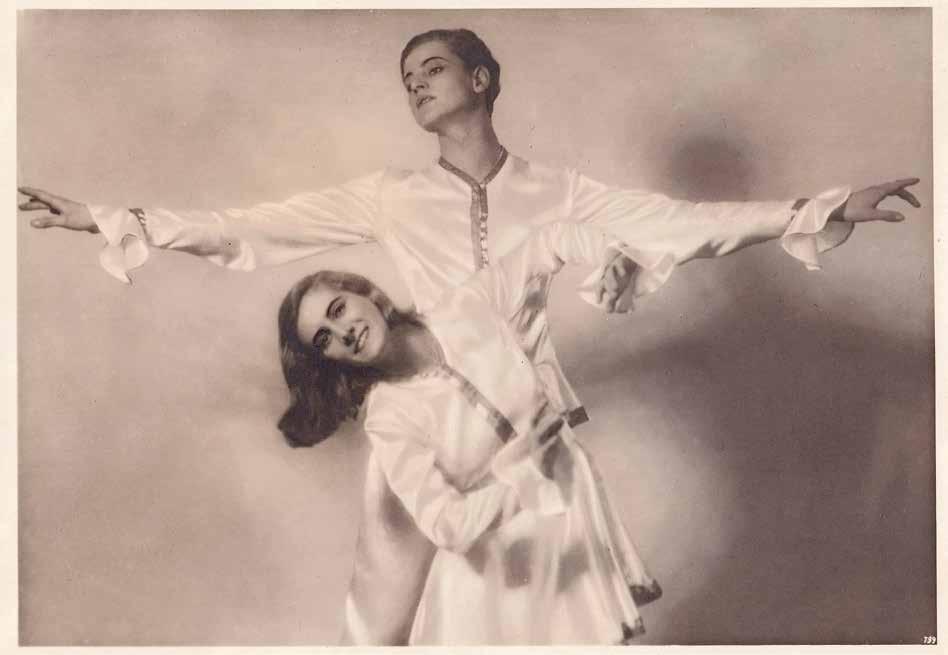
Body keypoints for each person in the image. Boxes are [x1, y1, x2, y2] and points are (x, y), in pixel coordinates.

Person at [18, 27, 920, 645]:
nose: (414, 84)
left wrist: (821, 208)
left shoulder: (556, 195)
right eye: (406, 78)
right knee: (394, 620)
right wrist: (113, 221)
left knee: (546, 620)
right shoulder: (393, 197)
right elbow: (254, 227)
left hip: (532, 436)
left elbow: (676, 225)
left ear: (482, 80)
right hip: (431, 426)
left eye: (432, 68)